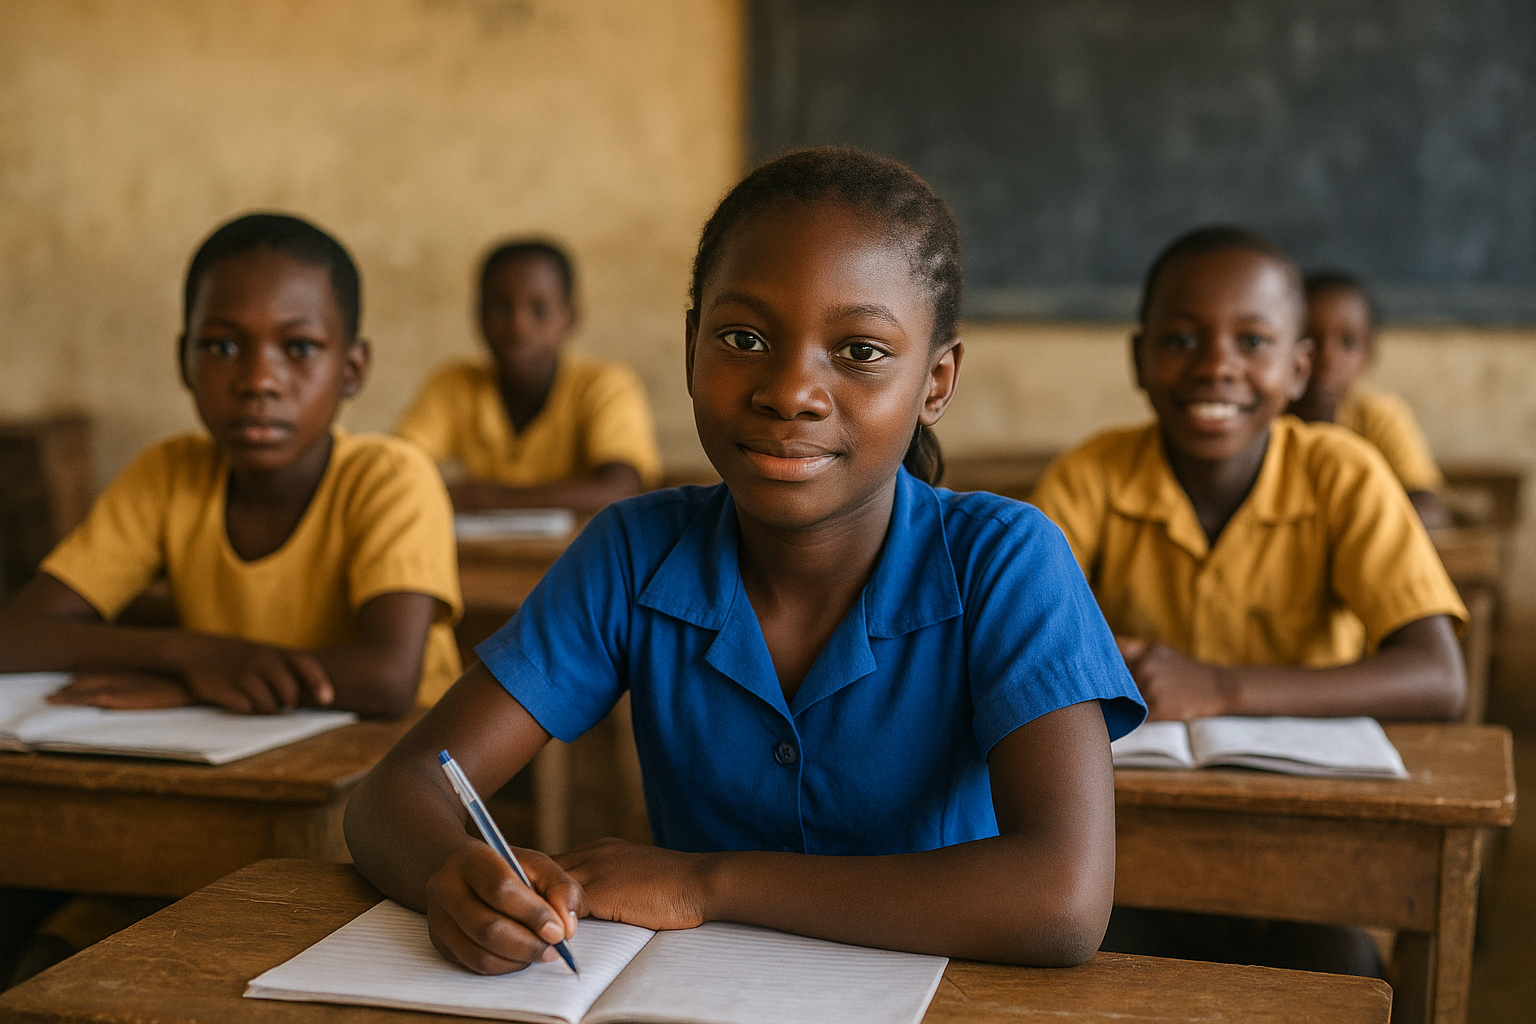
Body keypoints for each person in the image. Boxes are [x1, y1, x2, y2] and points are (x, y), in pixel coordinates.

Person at [344, 148, 1145, 975]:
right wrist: (455, 873)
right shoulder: (633, 553)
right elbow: (395, 795)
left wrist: (710, 883)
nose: (789, 389)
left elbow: (1062, 901)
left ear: (936, 382)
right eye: (743, 337)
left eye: (861, 351)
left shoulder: (1003, 562)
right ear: (693, 344)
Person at [1030, 225, 1468, 975]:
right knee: (1080, 962)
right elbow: (1017, 645)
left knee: (1339, 967)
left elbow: (1438, 677)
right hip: (1128, 839)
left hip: (1312, 848)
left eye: (1253, 341)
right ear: (1139, 359)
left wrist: (1221, 687)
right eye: (1182, 339)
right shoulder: (1092, 475)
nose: (1216, 367)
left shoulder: (1343, 473)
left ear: (1300, 369)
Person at [0, 212, 463, 716]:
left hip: (405, 767)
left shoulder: (391, 478)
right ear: (184, 363)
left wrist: (200, 682)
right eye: (222, 346)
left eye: (299, 348)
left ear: (351, 370)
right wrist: (190, 655)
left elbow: (386, 680)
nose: (258, 380)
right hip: (251, 751)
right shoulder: (170, 473)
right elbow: (15, 637)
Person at [395, 240, 663, 513]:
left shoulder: (605, 386)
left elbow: (622, 489)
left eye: (539, 310)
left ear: (570, 317)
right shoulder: (453, 386)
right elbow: (396, 469)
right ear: (478, 316)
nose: (518, 328)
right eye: (500, 309)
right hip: (482, 553)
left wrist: (484, 498)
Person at [1288, 270, 1452, 528]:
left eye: (1348, 342)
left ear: (1369, 354)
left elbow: (1428, 510)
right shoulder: (1265, 417)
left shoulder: (1379, 415)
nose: (1328, 357)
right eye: (1312, 339)